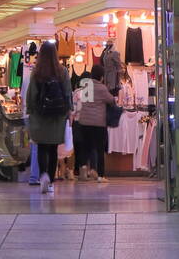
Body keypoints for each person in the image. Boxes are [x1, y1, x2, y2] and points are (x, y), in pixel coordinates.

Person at [26, 40, 70, 196]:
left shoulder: (37, 72)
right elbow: (67, 93)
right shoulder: (62, 71)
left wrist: (30, 110)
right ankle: (50, 181)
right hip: (58, 115)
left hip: (40, 114)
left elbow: (31, 94)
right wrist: (67, 112)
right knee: (53, 149)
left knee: (42, 147)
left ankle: (43, 174)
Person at [73, 65, 116, 182]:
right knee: (99, 149)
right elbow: (111, 100)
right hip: (98, 123)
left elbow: (85, 102)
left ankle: (83, 169)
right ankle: (100, 175)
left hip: (85, 122)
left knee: (85, 147)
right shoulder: (102, 88)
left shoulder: (87, 86)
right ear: (102, 77)